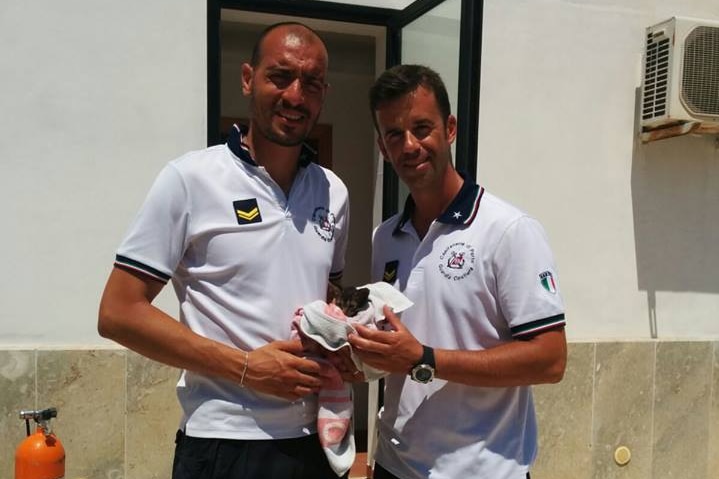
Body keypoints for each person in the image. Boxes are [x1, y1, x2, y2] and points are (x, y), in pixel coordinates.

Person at [98, 22, 356, 479]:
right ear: (246, 78)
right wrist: (245, 367)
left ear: (323, 93)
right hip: (224, 445)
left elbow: (324, 298)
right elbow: (118, 312)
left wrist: (346, 345)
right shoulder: (190, 179)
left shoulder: (333, 192)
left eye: (311, 83)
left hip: (314, 445)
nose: (295, 96)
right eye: (280, 76)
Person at [348, 64, 567, 479]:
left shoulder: (508, 230)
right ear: (382, 146)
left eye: (422, 127)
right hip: (395, 466)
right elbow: (399, 347)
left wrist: (425, 359)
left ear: (449, 129)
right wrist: (358, 357)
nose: (409, 145)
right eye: (395, 134)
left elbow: (550, 360)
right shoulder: (386, 237)